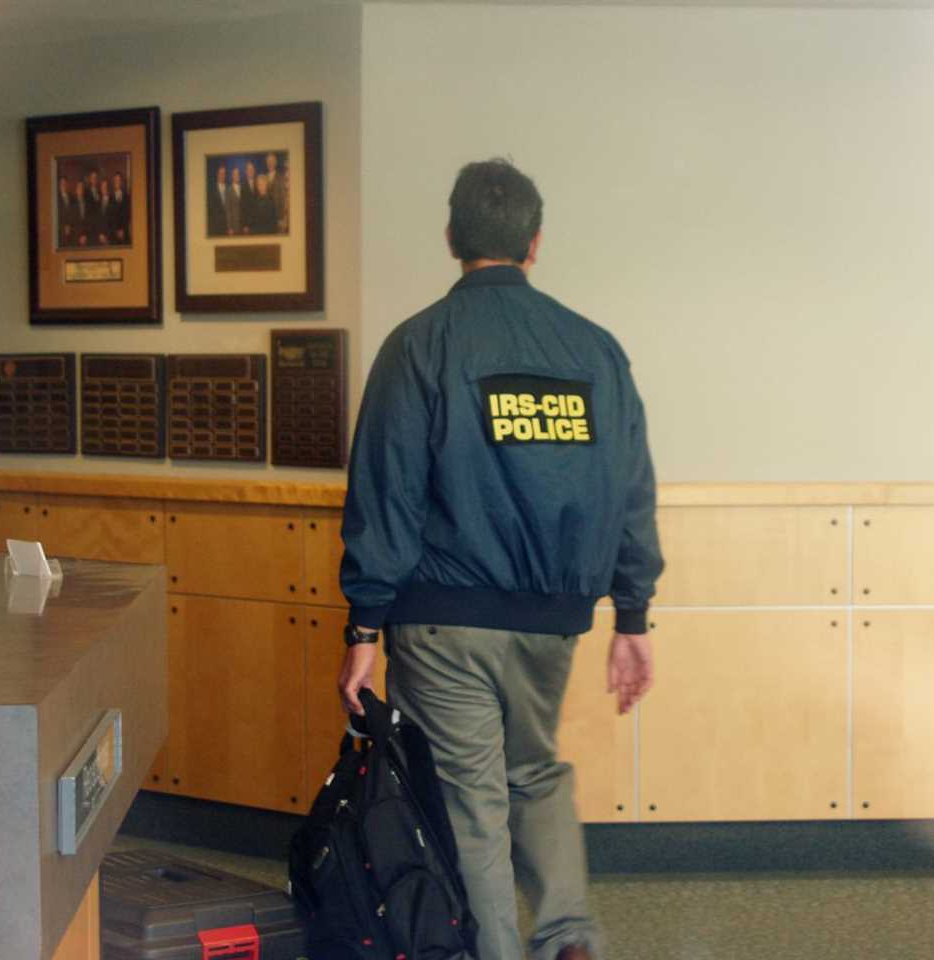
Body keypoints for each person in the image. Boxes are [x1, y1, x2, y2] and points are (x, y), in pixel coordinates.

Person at [338, 158, 663, 960]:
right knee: (534, 772)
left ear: (451, 238)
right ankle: (568, 937)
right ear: (536, 242)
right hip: (554, 621)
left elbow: (388, 492)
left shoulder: (420, 345)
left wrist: (364, 629)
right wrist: (632, 615)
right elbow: (630, 487)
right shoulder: (595, 351)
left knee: (470, 802)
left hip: (443, 617)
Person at [264, 151, 288, 233]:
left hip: (278, 217)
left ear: (275, 163)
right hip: (267, 218)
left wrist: (283, 218)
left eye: (272, 161)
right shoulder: (264, 177)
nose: (270, 163)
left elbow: (284, 197)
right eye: (268, 161)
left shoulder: (281, 177)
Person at [207, 163, 229, 236]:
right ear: (217, 174)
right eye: (220, 173)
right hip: (215, 227)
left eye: (224, 174)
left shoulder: (228, 189)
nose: (222, 175)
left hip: (226, 226)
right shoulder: (211, 190)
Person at [110, 171, 131, 245]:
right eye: (115, 180)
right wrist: (116, 231)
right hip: (113, 235)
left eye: (119, 180)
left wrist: (122, 230)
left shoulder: (127, 197)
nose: (117, 182)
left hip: (125, 234)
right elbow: (110, 217)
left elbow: (128, 215)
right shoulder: (110, 198)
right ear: (113, 182)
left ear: (122, 182)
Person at [56, 175, 76, 247]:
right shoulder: (55, 198)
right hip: (60, 233)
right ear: (59, 185)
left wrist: (70, 226)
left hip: (73, 232)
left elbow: (75, 215)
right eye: (62, 184)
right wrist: (63, 227)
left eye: (65, 183)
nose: (64, 185)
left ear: (68, 185)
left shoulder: (73, 198)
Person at [226, 166, 243, 235]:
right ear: (232, 176)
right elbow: (228, 210)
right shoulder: (228, 190)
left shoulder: (243, 188)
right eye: (235, 174)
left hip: (243, 226)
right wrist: (230, 227)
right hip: (234, 226)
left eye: (238, 174)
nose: (236, 176)